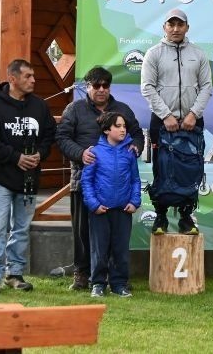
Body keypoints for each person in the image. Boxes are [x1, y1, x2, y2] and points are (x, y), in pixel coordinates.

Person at [56, 66, 144, 291]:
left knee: (116, 235)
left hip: (117, 186)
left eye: (106, 85)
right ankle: (82, 274)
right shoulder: (74, 109)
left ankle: (117, 279)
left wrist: (136, 146)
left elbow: (137, 134)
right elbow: (62, 137)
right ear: (87, 86)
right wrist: (80, 153)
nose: (102, 89)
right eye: (96, 85)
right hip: (82, 181)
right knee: (83, 233)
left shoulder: (122, 109)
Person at [140, 8, 213, 235]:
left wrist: (193, 114)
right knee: (162, 169)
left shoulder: (198, 54)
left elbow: (207, 87)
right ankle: (160, 217)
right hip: (162, 123)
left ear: (187, 27)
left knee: (190, 169)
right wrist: (166, 115)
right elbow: (147, 88)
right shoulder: (153, 54)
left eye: (179, 24)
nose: (175, 29)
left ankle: (186, 218)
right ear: (164, 28)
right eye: (171, 25)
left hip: (193, 122)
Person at [0, 59, 56, 295]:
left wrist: (40, 154)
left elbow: (49, 135)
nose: (34, 80)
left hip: (29, 179)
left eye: (34, 76)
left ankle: (15, 274)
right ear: (13, 78)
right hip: (0, 179)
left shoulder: (39, 106)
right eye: (28, 76)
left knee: (21, 228)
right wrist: (15, 157)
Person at [81, 112, 142, 298]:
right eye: (118, 126)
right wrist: (93, 204)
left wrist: (134, 201)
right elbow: (87, 182)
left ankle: (119, 284)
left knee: (120, 249)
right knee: (99, 249)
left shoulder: (129, 153)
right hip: (100, 211)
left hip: (123, 210)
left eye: (124, 126)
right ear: (107, 129)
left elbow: (135, 180)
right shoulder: (94, 153)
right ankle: (98, 283)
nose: (123, 129)